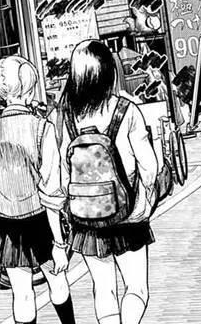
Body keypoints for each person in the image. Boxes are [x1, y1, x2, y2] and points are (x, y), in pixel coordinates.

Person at [58, 40, 159, 324]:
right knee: (136, 289)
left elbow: (63, 172)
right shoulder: (126, 110)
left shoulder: (67, 116)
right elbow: (149, 168)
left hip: (86, 217)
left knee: (104, 290)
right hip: (127, 215)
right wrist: (146, 199)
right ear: (109, 72)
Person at [0, 55, 75, 324]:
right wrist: (59, 244)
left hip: (6, 223)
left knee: (22, 294)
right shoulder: (42, 128)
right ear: (29, 89)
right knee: (57, 281)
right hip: (40, 220)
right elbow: (52, 192)